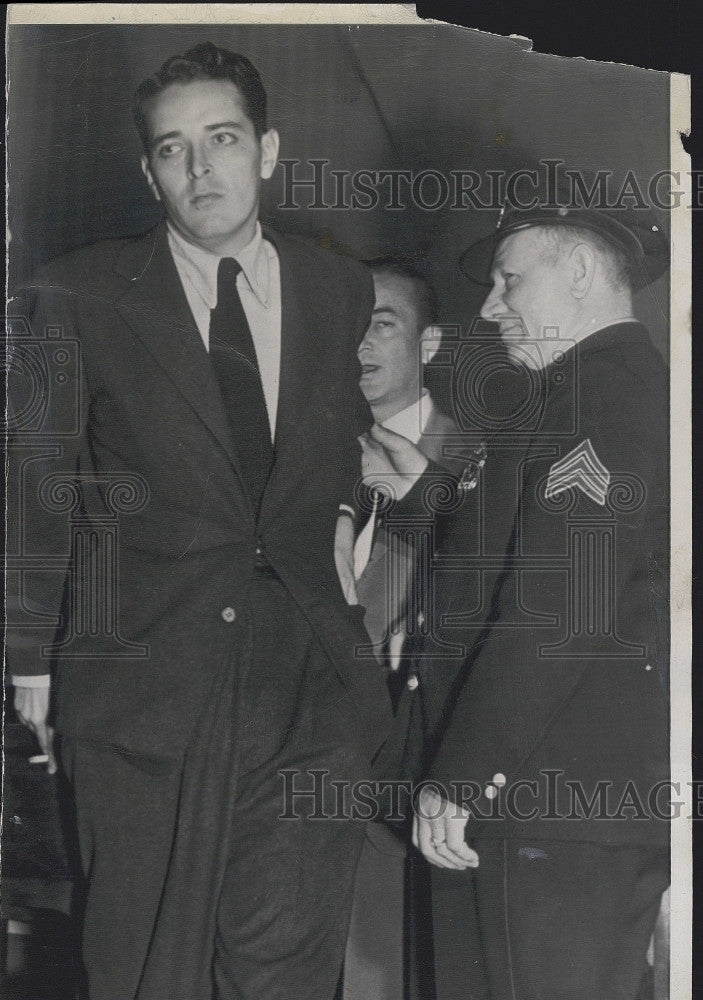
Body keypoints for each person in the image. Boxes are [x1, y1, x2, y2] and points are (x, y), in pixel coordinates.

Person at [7, 42, 391, 1000]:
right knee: (147, 972)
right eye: (173, 149)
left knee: (287, 974)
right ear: (150, 172)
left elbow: (336, 432)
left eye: (221, 139)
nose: (199, 167)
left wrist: (344, 509)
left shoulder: (333, 287)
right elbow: (37, 479)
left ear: (266, 150)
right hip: (146, 692)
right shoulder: (78, 294)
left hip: (305, 686)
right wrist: (28, 659)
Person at [361, 178, 670, 1000]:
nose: (491, 308)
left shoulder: (601, 393)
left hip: (540, 811)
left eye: (509, 279)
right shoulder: (588, 393)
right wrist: (428, 496)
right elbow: (526, 557)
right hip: (545, 808)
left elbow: (557, 608)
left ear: (575, 268)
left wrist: (462, 777)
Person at [343, 260, 459, 1000]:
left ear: (430, 344)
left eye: (381, 322)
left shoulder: (477, 464)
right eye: (348, 323)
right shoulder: (294, 461)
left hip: (416, 793)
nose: (359, 342)